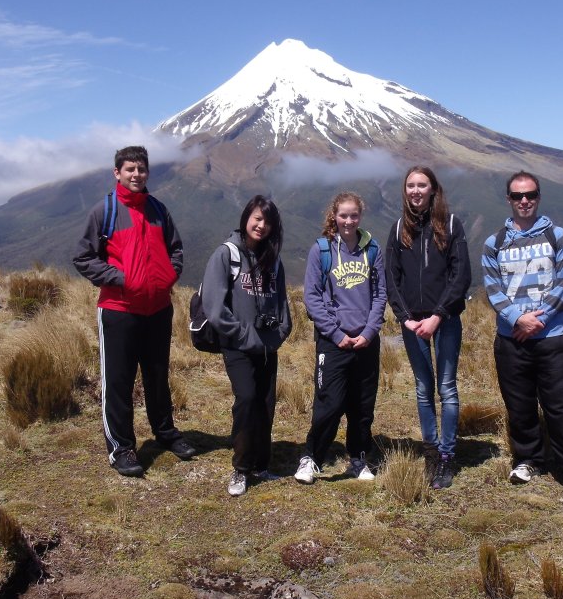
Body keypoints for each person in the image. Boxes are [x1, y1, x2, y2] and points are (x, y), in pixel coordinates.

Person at [72, 145, 197, 477]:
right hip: (119, 309)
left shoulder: (158, 209)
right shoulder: (105, 211)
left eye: (141, 169)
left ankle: (165, 432)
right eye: (129, 169)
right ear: (117, 173)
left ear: (147, 173)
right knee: (119, 381)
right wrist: (121, 279)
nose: (136, 175)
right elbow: (83, 258)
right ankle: (121, 447)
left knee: (158, 377)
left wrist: (169, 275)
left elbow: (176, 248)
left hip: (158, 309)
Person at [482, 171, 563, 495]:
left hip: (551, 338)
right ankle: (529, 458)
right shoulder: (495, 243)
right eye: (518, 196)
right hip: (511, 339)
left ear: (538, 197)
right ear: (508, 199)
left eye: (530, 195)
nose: (524, 201)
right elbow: (493, 288)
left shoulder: (556, 236)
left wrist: (538, 319)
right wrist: (518, 320)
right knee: (519, 404)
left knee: (562, 405)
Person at [385, 165, 472, 489]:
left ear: (433, 189)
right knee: (424, 389)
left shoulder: (450, 225)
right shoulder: (398, 230)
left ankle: (447, 456)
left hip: (445, 320)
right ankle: (431, 452)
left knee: (446, 387)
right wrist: (405, 317)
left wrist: (436, 315)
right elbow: (391, 278)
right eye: (411, 185)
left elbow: (460, 275)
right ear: (405, 190)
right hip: (412, 322)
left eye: (422, 185)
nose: (416, 191)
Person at [201, 195, 292, 497]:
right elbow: (214, 308)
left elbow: (281, 302)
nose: (261, 225)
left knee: (266, 405)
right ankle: (241, 468)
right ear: (245, 218)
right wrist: (244, 335)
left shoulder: (272, 258)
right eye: (256, 218)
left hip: (267, 347)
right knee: (247, 399)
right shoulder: (227, 254)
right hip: (237, 346)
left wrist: (281, 331)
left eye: (267, 221)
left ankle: (261, 465)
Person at [295, 192, 387, 485]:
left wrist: (369, 332)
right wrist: (336, 334)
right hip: (332, 342)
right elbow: (311, 297)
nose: (348, 221)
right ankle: (312, 458)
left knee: (362, 405)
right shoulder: (321, 251)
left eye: (354, 215)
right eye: (343, 215)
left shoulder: (372, 249)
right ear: (334, 216)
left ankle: (358, 459)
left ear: (360, 216)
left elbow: (379, 294)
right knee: (329, 403)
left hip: (365, 342)